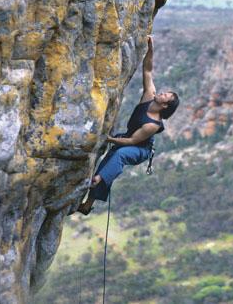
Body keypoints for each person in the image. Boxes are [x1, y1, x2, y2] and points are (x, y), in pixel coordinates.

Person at [76, 36, 180, 215]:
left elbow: (132, 142)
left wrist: (109, 138)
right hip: (130, 138)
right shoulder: (149, 95)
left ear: (165, 106)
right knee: (110, 157)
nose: (162, 93)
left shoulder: (153, 125)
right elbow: (147, 70)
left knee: (120, 154)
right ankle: (87, 205)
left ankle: (98, 179)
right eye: (164, 92)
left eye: (166, 96)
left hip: (140, 149)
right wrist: (150, 49)